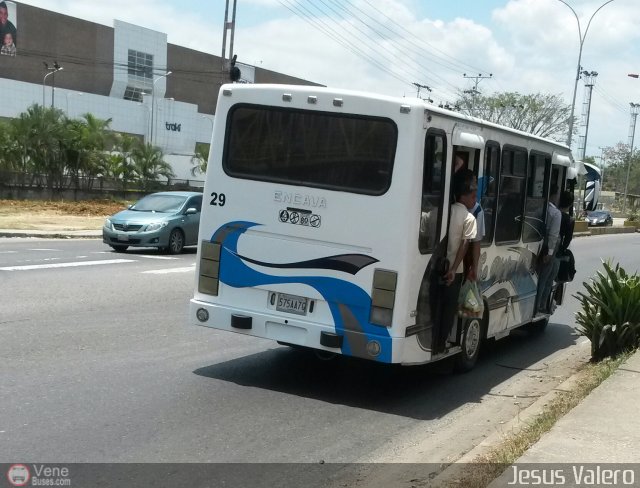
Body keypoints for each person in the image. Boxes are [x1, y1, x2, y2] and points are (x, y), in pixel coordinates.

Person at [436, 177, 477, 353]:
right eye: (473, 196)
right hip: (455, 271)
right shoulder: (469, 218)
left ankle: (432, 340)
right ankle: (441, 344)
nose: (474, 200)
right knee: (448, 308)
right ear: (464, 197)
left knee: (436, 307)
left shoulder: (444, 211)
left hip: (435, 267)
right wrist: (453, 269)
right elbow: (465, 243)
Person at [536, 184, 561, 314]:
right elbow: (553, 235)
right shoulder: (555, 213)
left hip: (535, 246)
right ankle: (539, 305)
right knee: (544, 279)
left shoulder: (538, 208)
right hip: (546, 250)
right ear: (554, 195)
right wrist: (550, 253)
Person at [556, 190, 576, 282]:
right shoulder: (569, 220)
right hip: (556, 251)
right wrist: (562, 250)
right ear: (571, 204)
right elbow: (567, 239)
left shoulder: (552, 212)